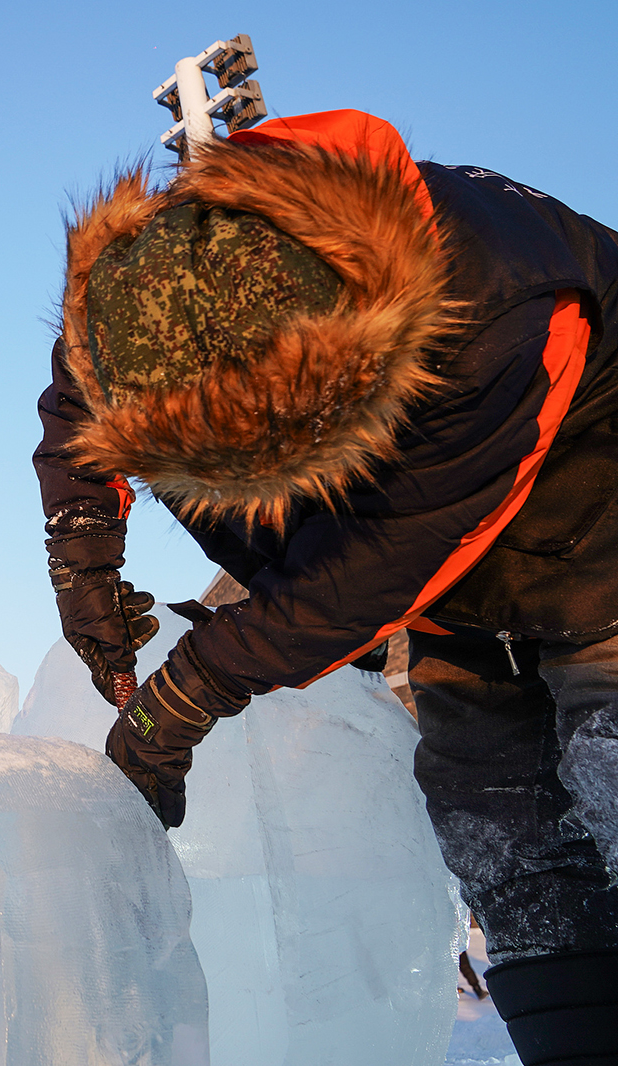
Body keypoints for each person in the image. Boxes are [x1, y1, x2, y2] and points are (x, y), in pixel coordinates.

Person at [35, 110, 617, 1062]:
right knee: (496, 818)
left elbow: (377, 563)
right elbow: (87, 382)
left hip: (592, 517)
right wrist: (82, 543)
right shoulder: (176, 267)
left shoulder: (502, 314)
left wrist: (187, 694)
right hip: (443, 580)